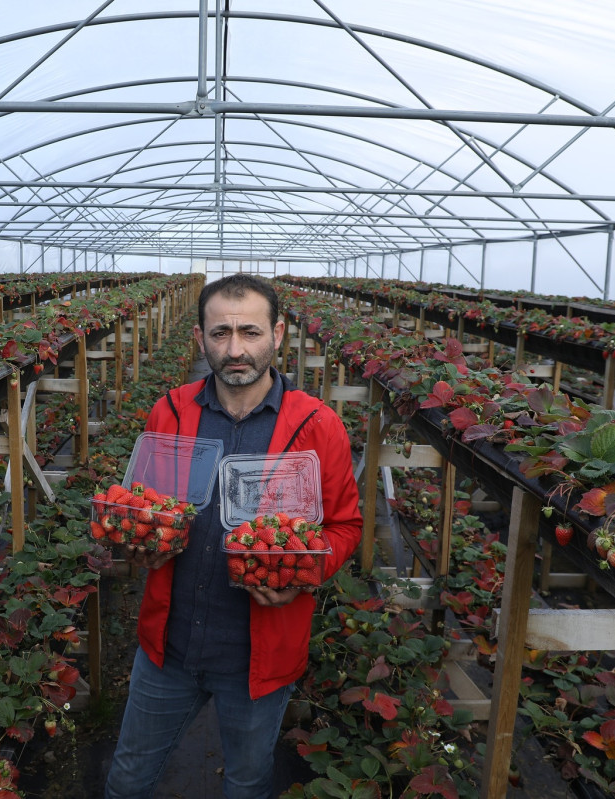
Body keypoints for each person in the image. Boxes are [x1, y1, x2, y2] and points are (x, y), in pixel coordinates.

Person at [104, 274, 363, 799]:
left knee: (246, 783)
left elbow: (344, 527)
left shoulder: (318, 425)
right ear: (199, 338)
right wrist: (136, 539)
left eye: (250, 331)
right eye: (220, 333)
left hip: (259, 656)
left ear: (279, 334)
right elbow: (151, 509)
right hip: (168, 650)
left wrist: (305, 572)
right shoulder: (171, 411)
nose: (236, 348)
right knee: (127, 779)